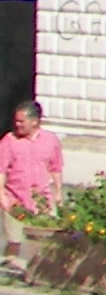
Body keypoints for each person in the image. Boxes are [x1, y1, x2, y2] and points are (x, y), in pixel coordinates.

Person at [0, 99, 65, 278]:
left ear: (34, 121)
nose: (17, 124)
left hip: (41, 199)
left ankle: (36, 271)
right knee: (14, 239)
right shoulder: (9, 141)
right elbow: (1, 170)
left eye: (21, 121)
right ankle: (9, 271)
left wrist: (58, 193)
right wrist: (2, 197)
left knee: (41, 237)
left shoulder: (50, 140)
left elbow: (56, 169)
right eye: (16, 121)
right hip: (14, 198)